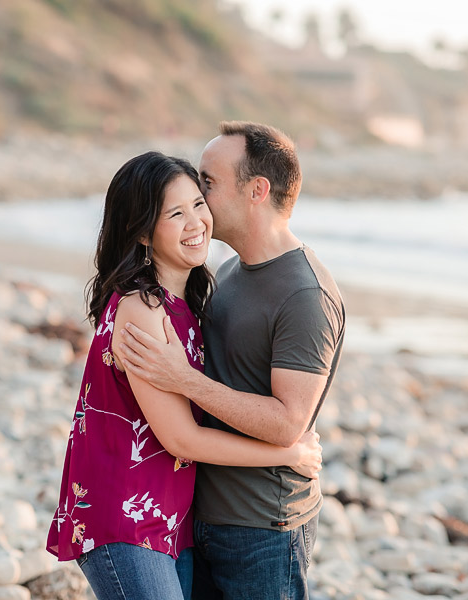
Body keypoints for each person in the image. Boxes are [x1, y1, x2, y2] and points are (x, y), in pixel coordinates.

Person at [45, 151, 323, 600]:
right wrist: (286, 453)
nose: (197, 222)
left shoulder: (185, 304)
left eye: (199, 204)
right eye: (176, 213)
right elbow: (182, 439)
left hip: (170, 518)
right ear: (142, 232)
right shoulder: (142, 310)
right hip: (126, 517)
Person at [118, 122, 346, 600]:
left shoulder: (305, 294)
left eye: (209, 181)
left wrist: (182, 379)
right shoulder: (227, 270)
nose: (196, 193)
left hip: (262, 527)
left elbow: (287, 423)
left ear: (257, 190)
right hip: (195, 517)